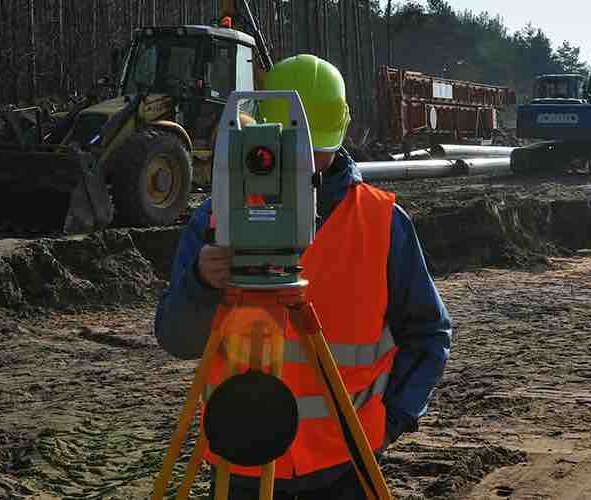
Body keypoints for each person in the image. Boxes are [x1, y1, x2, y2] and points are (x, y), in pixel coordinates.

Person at [153, 54, 451, 499]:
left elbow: (429, 334)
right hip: (242, 458)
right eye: (296, 147)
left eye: (315, 149)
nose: (305, 161)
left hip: (344, 463)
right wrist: (200, 283)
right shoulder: (217, 223)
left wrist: (391, 420)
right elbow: (177, 339)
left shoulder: (382, 222)